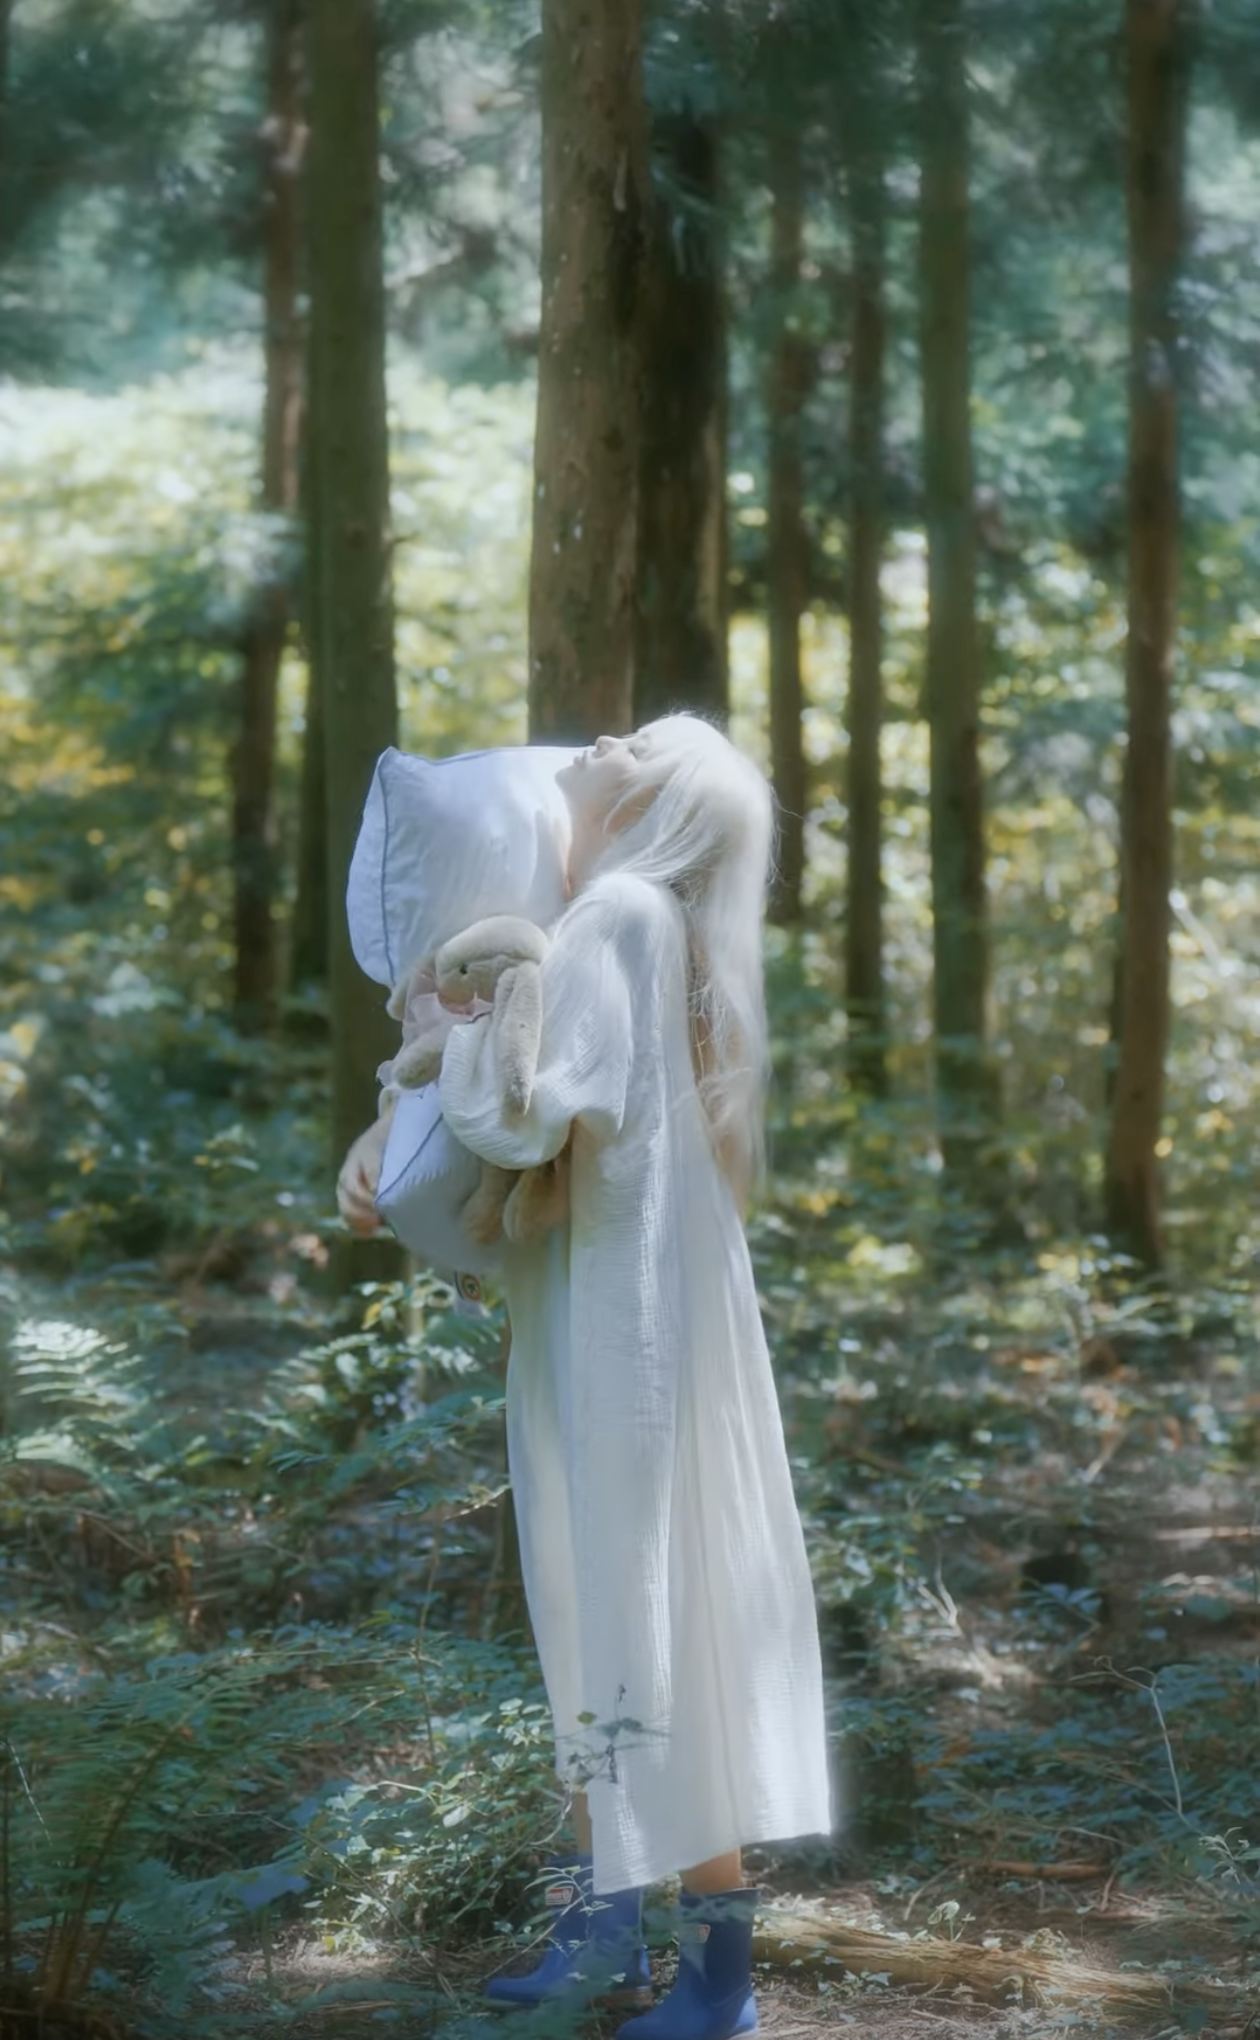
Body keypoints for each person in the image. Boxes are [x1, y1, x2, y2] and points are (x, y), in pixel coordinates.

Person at [428, 715, 831, 2040]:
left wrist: (455, 1027)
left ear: (654, 800)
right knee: (643, 1612)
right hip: (640, 1297)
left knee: (627, 1607)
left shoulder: (612, 913)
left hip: (617, 1310)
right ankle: (642, 1946)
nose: (602, 734)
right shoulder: (643, 921)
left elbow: (526, 1109)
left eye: (637, 737)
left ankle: (693, 1976)